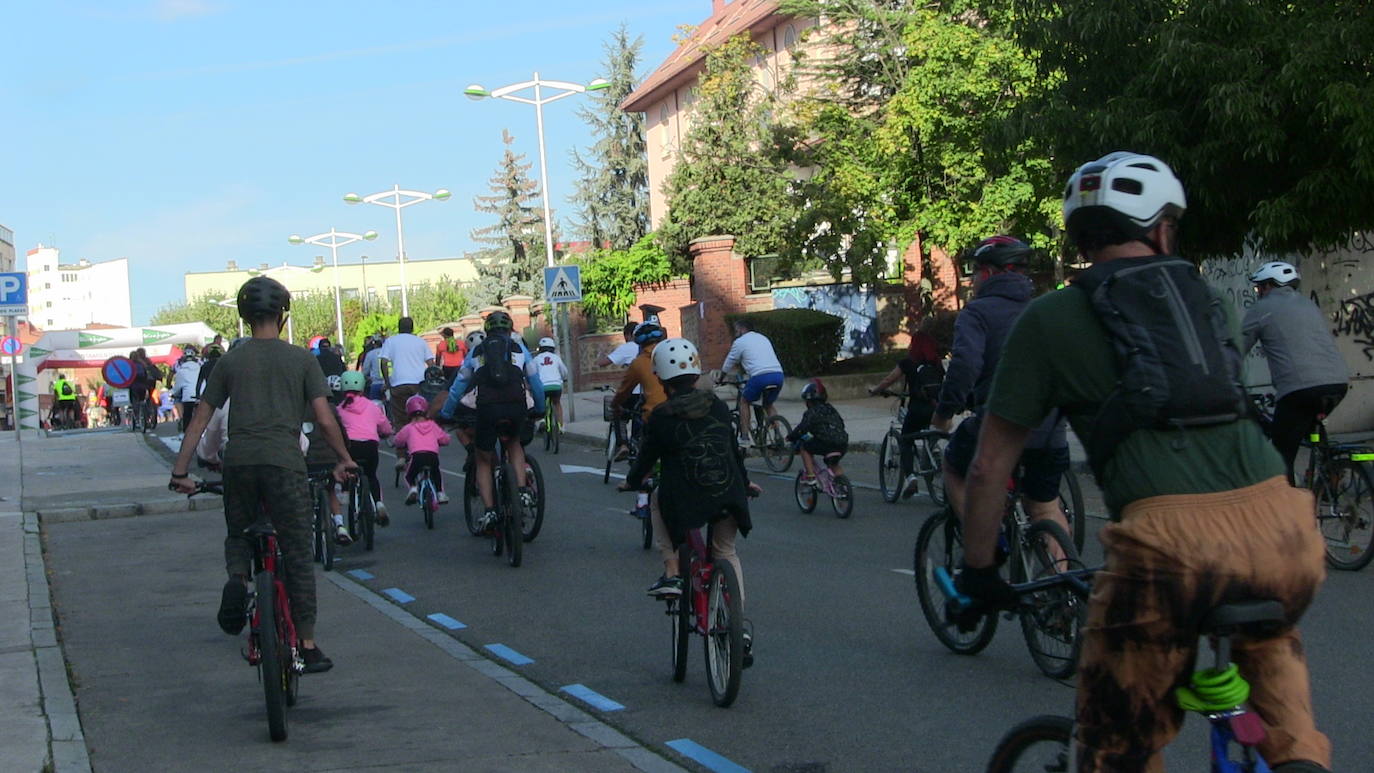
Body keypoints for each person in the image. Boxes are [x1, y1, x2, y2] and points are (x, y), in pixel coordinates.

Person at [954, 152, 1330, 772]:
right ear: (1160, 229)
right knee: (1273, 664)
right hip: (1286, 528)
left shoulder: (1050, 318)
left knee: (1117, 746)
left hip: (1168, 549)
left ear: (1081, 235)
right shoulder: (1213, 300)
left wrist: (978, 573)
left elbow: (991, 466)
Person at [170, 275, 358, 675]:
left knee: (239, 534)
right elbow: (324, 419)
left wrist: (180, 470)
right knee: (297, 553)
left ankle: (238, 579)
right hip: (285, 464)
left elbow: (201, 417)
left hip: (239, 462)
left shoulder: (229, 362)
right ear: (282, 315)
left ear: (244, 315)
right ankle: (306, 644)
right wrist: (344, 458)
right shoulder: (302, 360)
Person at [620, 338, 759, 661]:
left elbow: (646, 459)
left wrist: (631, 481)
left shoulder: (661, 415)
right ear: (696, 375)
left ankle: (671, 571)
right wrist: (746, 483)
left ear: (659, 378)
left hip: (685, 497)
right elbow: (732, 451)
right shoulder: (719, 406)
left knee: (655, 497)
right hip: (728, 489)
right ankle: (738, 626)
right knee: (726, 551)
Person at [931, 236, 1070, 537]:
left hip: (999, 426)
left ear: (989, 274)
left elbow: (964, 367)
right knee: (1045, 508)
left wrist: (943, 415)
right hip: (1049, 430)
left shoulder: (977, 312)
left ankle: (981, 551)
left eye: (974, 271)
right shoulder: (1043, 308)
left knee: (953, 467)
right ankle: (1062, 577)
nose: (972, 279)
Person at [1241, 261, 1349, 483]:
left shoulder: (1261, 309)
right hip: (1338, 383)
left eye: (1259, 287)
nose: (1258, 292)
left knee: (1279, 457)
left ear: (1269, 286)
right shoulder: (1308, 305)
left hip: (1299, 390)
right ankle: (1329, 476)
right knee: (1308, 423)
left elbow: (1234, 350)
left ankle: (1289, 509)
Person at [452, 311, 545, 534]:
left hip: (487, 409)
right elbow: (535, 380)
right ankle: (522, 490)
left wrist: (448, 412)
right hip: (516, 405)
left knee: (483, 458)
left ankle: (491, 510)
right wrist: (540, 407)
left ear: (487, 331)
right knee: (514, 444)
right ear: (510, 329)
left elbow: (459, 385)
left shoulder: (476, 352)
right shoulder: (519, 349)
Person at [869, 319, 945, 498]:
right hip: (936, 409)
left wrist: (875, 390)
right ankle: (933, 457)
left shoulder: (908, 362)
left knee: (905, 440)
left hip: (917, 409)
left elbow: (889, 380)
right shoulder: (936, 362)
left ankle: (911, 478)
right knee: (929, 435)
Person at [336, 370, 392, 525]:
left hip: (351, 446)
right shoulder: (372, 407)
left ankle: (346, 492)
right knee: (371, 475)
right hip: (370, 446)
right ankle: (379, 504)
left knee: (347, 468)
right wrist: (386, 434)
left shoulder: (339, 409)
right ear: (362, 388)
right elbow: (385, 428)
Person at [720, 318, 784, 446]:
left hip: (760, 377)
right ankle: (778, 435)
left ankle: (744, 438)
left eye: (737, 330)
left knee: (744, 401)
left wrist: (720, 378)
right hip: (778, 375)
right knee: (768, 404)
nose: (735, 332)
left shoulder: (740, 342)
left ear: (743, 329)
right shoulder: (763, 338)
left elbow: (729, 362)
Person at [610, 320, 668, 459]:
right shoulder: (671, 353)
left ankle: (624, 447)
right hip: (680, 408)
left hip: (653, 412)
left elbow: (624, 390)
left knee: (646, 455)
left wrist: (615, 405)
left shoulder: (639, 362)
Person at [393, 395, 451, 506]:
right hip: (432, 456)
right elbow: (444, 439)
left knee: (409, 476)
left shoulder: (409, 428)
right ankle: (440, 493)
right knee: (436, 473)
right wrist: (444, 441)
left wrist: (399, 444)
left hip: (417, 456)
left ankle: (413, 489)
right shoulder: (433, 425)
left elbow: (398, 440)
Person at [787, 378, 849, 484]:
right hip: (842, 442)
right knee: (834, 464)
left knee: (805, 448)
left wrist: (791, 437)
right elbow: (841, 424)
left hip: (825, 443)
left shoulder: (811, 413)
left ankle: (810, 477)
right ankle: (843, 488)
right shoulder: (831, 409)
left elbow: (802, 428)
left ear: (809, 402)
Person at [380, 317, 434, 434]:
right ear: (412, 327)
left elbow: (384, 362)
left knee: (400, 418)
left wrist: (387, 381)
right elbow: (430, 363)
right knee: (420, 415)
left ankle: (403, 447)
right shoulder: (420, 341)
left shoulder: (391, 341)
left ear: (399, 328)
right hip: (419, 384)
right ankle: (421, 440)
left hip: (398, 384)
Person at [533, 337, 571, 426]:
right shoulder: (556, 358)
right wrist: (564, 378)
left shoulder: (536, 359)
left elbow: (533, 374)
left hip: (542, 387)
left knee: (539, 403)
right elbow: (564, 371)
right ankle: (561, 426)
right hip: (556, 386)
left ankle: (541, 420)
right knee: (557, 403)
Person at [172, 345, 202, 434]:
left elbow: (177, 387)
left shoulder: (181, 370)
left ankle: (185, 431)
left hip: (188, 397)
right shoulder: (200, 367)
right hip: (200, 395)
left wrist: (174, 393)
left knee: (187, 416)